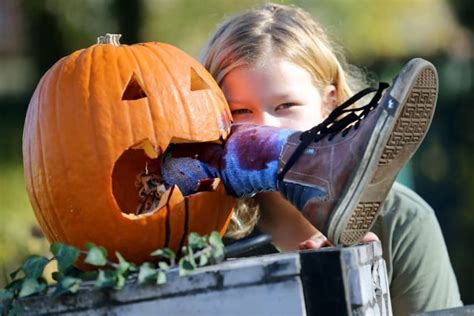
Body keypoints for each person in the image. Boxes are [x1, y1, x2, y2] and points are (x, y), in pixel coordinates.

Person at [164, 3, 462, 315]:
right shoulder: (194, 230)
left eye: (286, 106)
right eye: (240, 111)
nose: (266, 128)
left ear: (329, 103)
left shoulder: (403, 221)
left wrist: (357, 288)